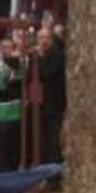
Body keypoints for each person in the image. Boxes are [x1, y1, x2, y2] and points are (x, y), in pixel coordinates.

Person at [0, 34, 25, 174]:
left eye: (9, 48)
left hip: (17, 109)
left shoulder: (20, 64)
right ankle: (5, 172)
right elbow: (2, 86)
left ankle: (14, 170)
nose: (6, 50)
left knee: (15, 145)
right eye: (3, 48)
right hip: (3, 111)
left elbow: (20, 81)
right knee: (4, 145)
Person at [34, 28, 65, 170]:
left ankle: (53, 174)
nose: (43, 41)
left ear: (52, 40)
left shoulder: (58, 55)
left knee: (53, 141)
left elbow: (48, 73)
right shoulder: (38, 55)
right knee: (43, 141)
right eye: (41, 38)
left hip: (54, 104)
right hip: (40, 105)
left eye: (46, 38)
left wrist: (39, 59)